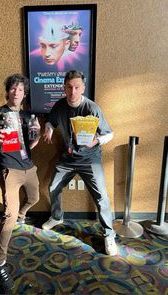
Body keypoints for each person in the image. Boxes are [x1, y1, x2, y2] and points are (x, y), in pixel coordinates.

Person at [42, 70, 117, 256]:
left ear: (83, 87)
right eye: (69, 87)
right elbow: (50, 121)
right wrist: (49, 129)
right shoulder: (59, 106)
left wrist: (96, 141)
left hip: (90, 159)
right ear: (64, 88)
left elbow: (109, 133)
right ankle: (57, 217)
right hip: (67, 159)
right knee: (53, 187)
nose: (73, 91)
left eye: (77, 87)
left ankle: (109, 235)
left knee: (102, 197)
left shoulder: (92, 108)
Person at [0, 74, 41, 290]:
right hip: (9, 169)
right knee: (8, 216)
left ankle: (22, 215)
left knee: (34, 197)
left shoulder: (28, 116)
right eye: (13, 89)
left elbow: (30, 144)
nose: (16, 93)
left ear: (24, 94)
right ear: (8, 91)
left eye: (20, 90)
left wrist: (35, 135)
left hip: (29, 166)